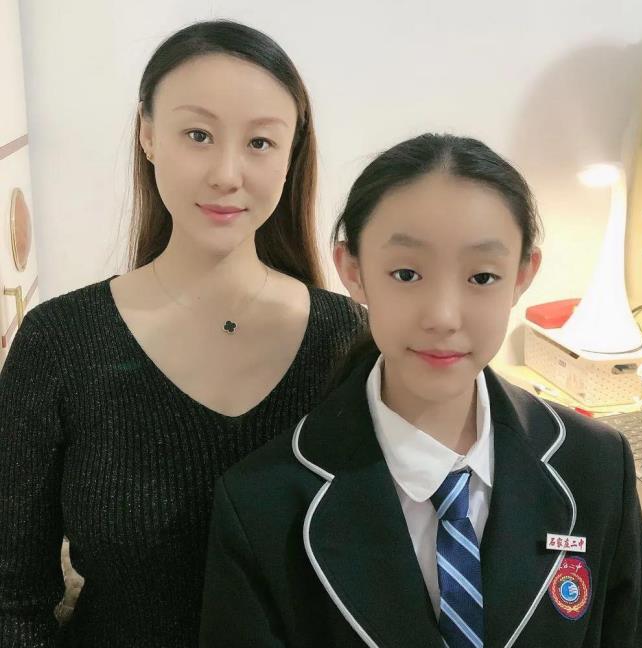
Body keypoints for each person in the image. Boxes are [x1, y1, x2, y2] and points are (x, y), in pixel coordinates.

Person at [199, 134, 642, 647]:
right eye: (406, 273)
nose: (443, 316)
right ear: (353, 270)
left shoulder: (597, 465)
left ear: (523, 275)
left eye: (482, 277)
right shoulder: (262, 503)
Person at [0, 19, 366, 648]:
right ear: (147, 135)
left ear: (291, 154)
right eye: (198, 135)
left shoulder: (349, 341)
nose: (226, 173)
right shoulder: (59, 343)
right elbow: (12, 599)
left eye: (260, 142)